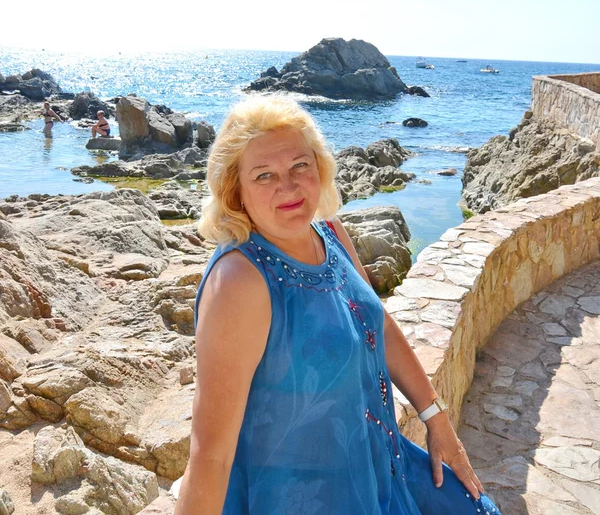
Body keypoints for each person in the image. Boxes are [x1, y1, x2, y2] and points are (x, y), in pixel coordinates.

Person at [175, 95, 502, 515]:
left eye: (300, 166)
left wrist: (436, 418)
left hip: (379, 466)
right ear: (234, 191)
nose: (288, 186)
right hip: (304, 498)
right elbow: (210, 456)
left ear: (320, 167)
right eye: (263, 176)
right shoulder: (240, 281)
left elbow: (377, 324)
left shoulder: (328, 231)